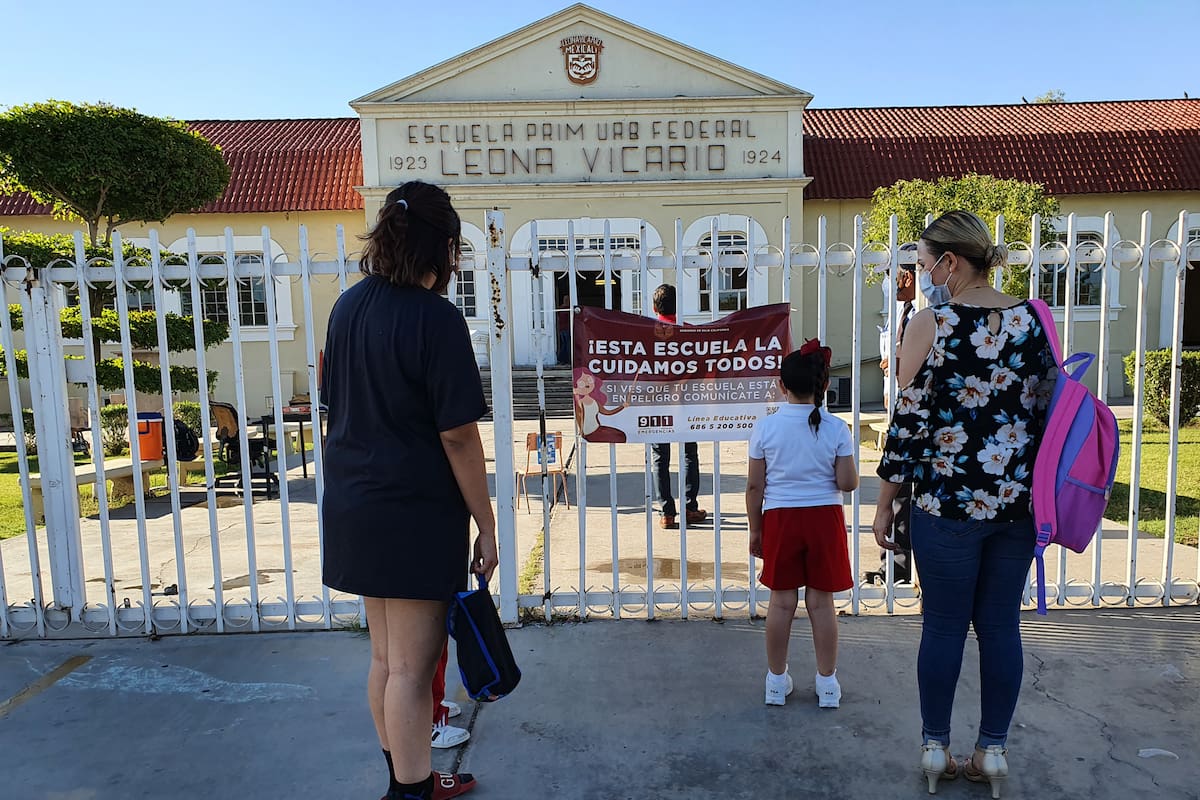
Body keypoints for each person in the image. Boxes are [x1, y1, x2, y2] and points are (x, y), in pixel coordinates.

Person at [320, 180, 498, 800]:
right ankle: (413, 790)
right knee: (412, 668)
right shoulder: (436, 320)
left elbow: (333, 405)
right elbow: (458, 437)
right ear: (445, 249)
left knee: (384, 659)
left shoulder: (347, 308)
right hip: (414, 515)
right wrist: (488, 523)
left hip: (355, 507)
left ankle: (404, 777)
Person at [872, 211, 1057, 797]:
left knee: (945, 626)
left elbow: (910, 422)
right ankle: (992, 751)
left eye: (925, 264)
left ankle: (935, 748)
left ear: (951, 262)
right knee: (1001, 627)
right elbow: (1048, 412)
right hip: (1016, 506)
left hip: (946, 505)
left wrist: (884, 502)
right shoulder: (1033, 319)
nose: (924, 275)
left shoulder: (932, 322)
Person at [746, 339, 858, 710]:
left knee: (781, 604)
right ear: (823, 386)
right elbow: (847, 483)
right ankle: (827, 684)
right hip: (824, 520)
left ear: (782, 385)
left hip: (780, 519)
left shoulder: (765, 429)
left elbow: (754, 486)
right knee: (821, 604)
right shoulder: (836, 428)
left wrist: (756, 530)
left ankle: (775, 683)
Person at [868, 244, 918, 585]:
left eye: (891, 276)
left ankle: (906, 569)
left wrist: (899, 363)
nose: (889, 284)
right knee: (899, 493)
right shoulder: (904, 312)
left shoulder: (927, 314)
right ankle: (896, 567)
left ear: (906, 275)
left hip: (918, 418)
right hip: (898, 410)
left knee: (908, 494)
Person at [651, 284, 707, 529]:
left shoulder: (646, 333)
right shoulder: (689, 332)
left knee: (659, 458)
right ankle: (689, 507)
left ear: (655, 308)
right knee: (689, 455)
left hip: (658, 404)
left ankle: (666, 512)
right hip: (686, 403)